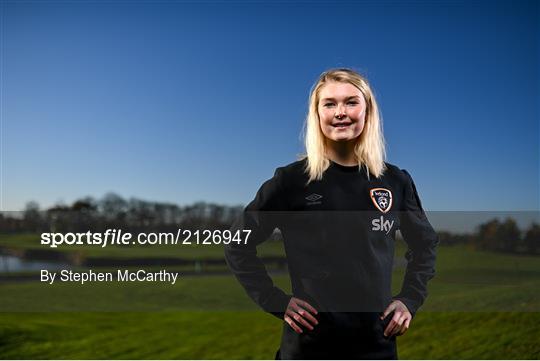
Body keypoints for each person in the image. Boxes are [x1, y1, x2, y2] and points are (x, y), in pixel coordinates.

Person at [224, 68, 438, 359]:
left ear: (368, 111)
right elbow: (237, 243)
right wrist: (276, 301)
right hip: (309, 346)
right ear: (317, 114)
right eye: (329, 103)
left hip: (376, 344)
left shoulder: (396, 181)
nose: (340, 112)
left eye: (351, 102)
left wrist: (409, 300)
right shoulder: (290, 181)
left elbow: (425, 244)